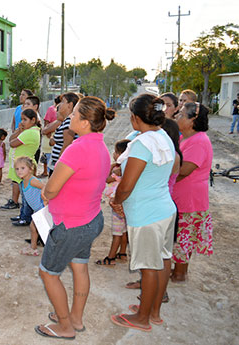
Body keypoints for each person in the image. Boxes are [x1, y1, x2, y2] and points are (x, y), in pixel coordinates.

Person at [36, 96, 113, 340]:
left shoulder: (77, 149)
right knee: (79, 267)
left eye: (74, 112)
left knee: (48, 273)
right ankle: (75, 319)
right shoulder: (100, 146)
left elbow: (51, 189)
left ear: (85, 122)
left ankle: (65, 326)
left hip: (71, 224)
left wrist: (46, 192)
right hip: (91, 219)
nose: (69, 116)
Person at [109, 94, 176, 332]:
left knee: (148, 267)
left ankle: (142, 318)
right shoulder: (163, 136)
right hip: (165, 208)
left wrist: (116, 201)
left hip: (146, 214)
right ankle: (153, 311)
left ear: (135, 118)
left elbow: (126, 185)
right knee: (162, 260)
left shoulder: (141, 144)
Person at [171, 102, 213, 282]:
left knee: (184, 236)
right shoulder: (186, 138)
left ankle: (180, 273)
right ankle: (177, 270)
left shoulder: (199, 141)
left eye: (181, 114)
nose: (177, 116)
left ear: (192, 120)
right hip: (182, 196)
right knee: (180, 235)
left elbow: (184, 170)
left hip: (190, 199)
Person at [2, 109, 40, 227]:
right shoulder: (28, 131)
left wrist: (20, 131)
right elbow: (11, 139)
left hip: (25, 168)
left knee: (26, 196)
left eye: (25, 120)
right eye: (21, 119)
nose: (22, 122)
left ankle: (25, 217)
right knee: (24, 194)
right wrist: (20, 130)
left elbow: (13, 143)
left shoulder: (30, 132)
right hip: (22, 167)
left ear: (33, 120)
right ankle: (23, 214)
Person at [95, 139, 130, 266]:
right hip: (126, 205)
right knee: (124, 231)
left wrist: (112, 167)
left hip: (117, 205)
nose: (114, 155)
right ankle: (122, 253)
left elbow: (106, 179)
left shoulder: (117, 171)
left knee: (116, 233)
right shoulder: (129, 169)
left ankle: (110, 257)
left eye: (116, 152)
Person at [15, 156, 45, 257]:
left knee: (37, 228)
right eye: (17, 169)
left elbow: (46, 188)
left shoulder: (32, 181)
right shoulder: (23, 182)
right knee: (33, 228)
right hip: (37, 210)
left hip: (42, 209)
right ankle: (33, 248)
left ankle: (34, 248)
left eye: (23, 168)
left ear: (31, 168)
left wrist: (45, 201)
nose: (19, 171)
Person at [47, 92, 80, 175]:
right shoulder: (66, 120)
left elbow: (67, 144)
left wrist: (59, 166)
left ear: (70, 105)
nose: (60, 104)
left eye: (63, 102)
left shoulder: (69, 121)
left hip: (61, 166)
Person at [39, 96, 60, 177]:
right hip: (51, 134)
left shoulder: (52, 109)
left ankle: (47, 172)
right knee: (48, 156)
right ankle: (46, 172)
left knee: (49, 156)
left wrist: (47, 131)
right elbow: (46, 121)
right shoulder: (53, 109)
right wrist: (48, 132)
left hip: (52, 135)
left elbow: (46, 121)